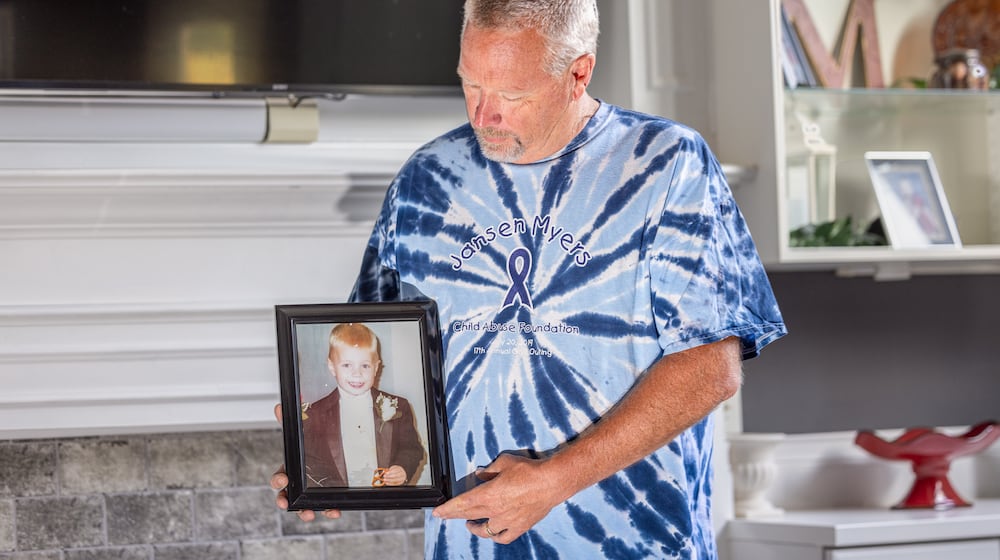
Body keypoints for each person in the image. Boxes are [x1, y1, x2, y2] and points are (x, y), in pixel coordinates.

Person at [273, 0, 786, 557]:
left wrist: (553, 480)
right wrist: (327, 465)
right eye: (471, 85)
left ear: (578, 73)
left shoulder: (666, 165)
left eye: (513, 95)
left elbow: (711, 369)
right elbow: (380, 351)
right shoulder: (427, 179)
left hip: (636, 544)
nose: (483, 115)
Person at [301, 323, 425, 488]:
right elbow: (310, 461)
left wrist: (402, 469)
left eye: (365, 365)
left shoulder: (398, 406)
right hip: (342, 502)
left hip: (384, 501)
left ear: (376, 368)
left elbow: (412, 449)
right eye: (347, 365)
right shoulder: (314, 414)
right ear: (332, 366)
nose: (357, 373)